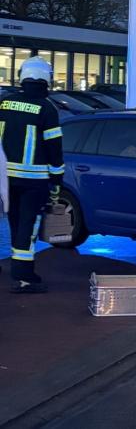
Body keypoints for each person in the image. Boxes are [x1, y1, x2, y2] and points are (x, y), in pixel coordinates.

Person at [0, 57, 63, 293]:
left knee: (13, 222)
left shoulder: (5, 103)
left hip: (4, 177)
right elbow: (54, 147)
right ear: (46, 78)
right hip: (33, 180)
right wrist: (56, 180)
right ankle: (24, 278)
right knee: (28, 226)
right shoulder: (47, 108)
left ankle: (17, 271)